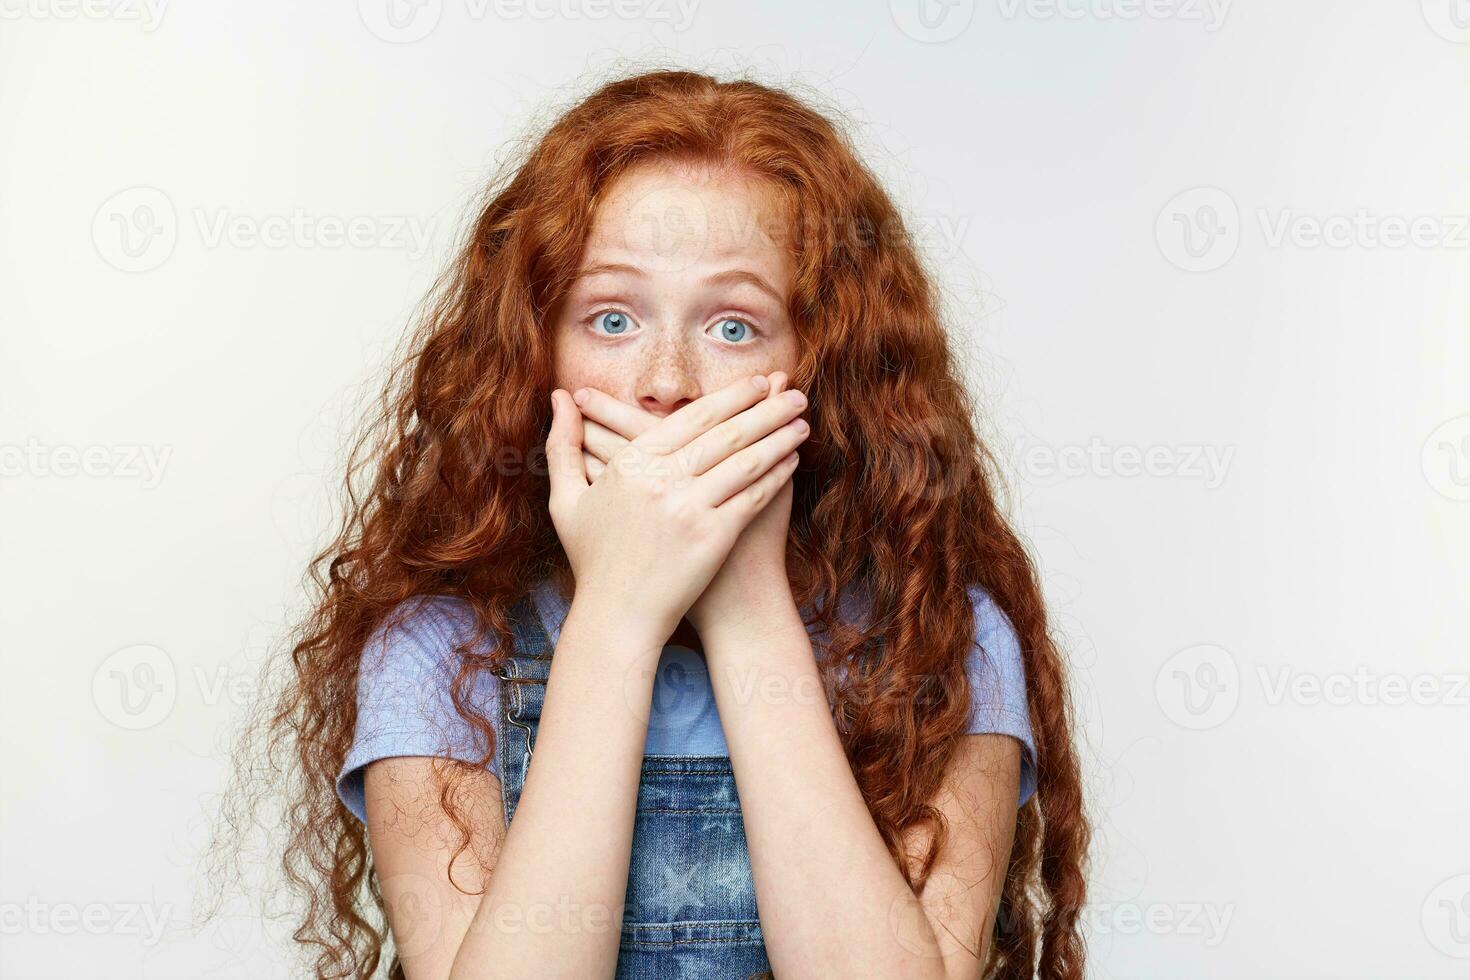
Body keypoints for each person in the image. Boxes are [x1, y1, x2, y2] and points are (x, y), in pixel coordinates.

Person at [211, 69, 1088, 980]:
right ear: (536, 350)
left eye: (735, 328)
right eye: (613, 317)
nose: (666, 381)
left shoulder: (942, 638)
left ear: (821, 368)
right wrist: (618, 613)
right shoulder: (436, 650)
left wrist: (746, 607)